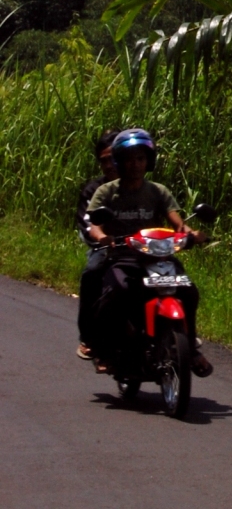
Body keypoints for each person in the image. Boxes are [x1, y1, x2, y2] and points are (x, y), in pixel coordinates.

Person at [86, 127, 213, 377]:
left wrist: (190, 234)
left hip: (157, 256)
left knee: (188, 291)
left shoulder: (157, 191)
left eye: (141, 158)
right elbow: (94, 226)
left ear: (149, 161)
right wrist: (102, 236)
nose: (135, 165)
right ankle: (108, 349)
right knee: (119, 291)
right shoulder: (107, 192)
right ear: (119, 161)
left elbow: (177, 222)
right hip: (122, 256)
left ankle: (190, 345)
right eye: (129, 159)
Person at [75, 130, 119, 360]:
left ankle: (184, 334)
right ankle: (89, 336)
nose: (110, 165)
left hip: (142, 248)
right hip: (107, 249)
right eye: (104, 160)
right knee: (92, 272)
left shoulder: (144, 187)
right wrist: (102, 238)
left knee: (176, 276)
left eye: (114, 157)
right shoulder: (95, 191)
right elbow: (87, 224)